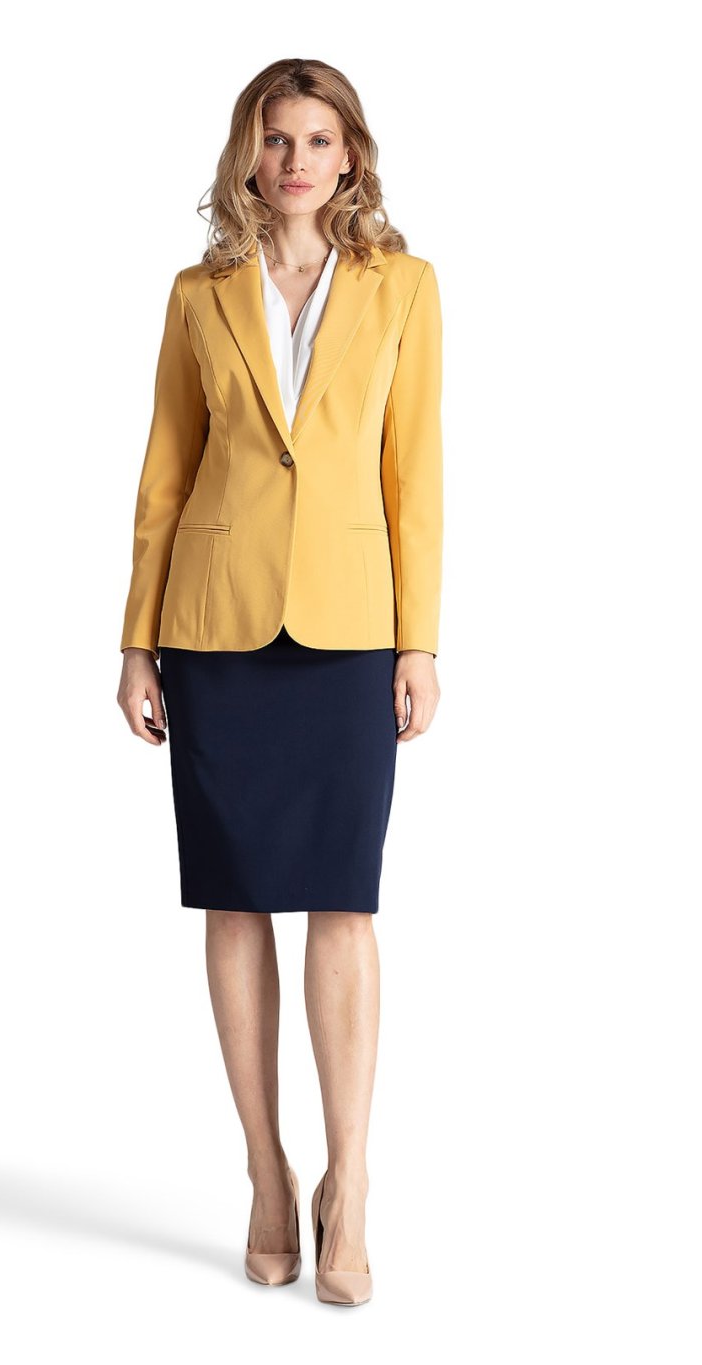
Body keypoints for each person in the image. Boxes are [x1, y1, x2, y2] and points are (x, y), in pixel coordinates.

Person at [116, 57, 443, 1306]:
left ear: (350, 153)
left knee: (344, 904)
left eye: (316, 138)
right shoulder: (198, 294)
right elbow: (164, 471)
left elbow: (417, 473)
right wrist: (136, 642)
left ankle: (348, 1183)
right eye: (273, 138)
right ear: (246, 156)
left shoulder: (404, 286)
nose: (294, 161)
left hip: (351, 628)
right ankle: (265, 1169)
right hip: (216, 630)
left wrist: (419, 642)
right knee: (236, 902)